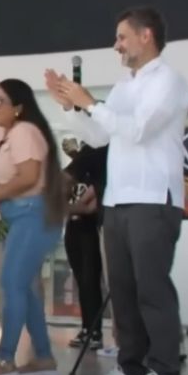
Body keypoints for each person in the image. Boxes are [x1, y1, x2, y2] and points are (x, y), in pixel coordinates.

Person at [46, 5, 188, 375]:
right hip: (119, 199)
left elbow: (139, 130)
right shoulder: (125, 86)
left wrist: (89, 101)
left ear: (146, 36)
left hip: (153, 198)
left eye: (122, 37)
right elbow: (101, 136)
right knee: (123, 290)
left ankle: (166, 374)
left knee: (151, 288)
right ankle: (131, 368)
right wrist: (72, 107)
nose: (116, 45)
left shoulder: (170, 82)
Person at [0, 79, 66, 375]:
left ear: (19, 108)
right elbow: (11, 177)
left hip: (32, 215)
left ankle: (6, 360)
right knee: (26, 289)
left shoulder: (24, 131)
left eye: (0, 101)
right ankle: (44, 358)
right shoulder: (7, 136)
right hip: (21, 216)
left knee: (10, 283)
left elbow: (29, 176)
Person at [62, 138, 105, 350]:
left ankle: (95, 331)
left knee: (90, 279)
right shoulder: (75, 174)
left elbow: (89, 208)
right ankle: (86, 327)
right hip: (72, 228)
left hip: (90, 229)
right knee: (81, 279)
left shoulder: (96, 175)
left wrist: (63, 208)